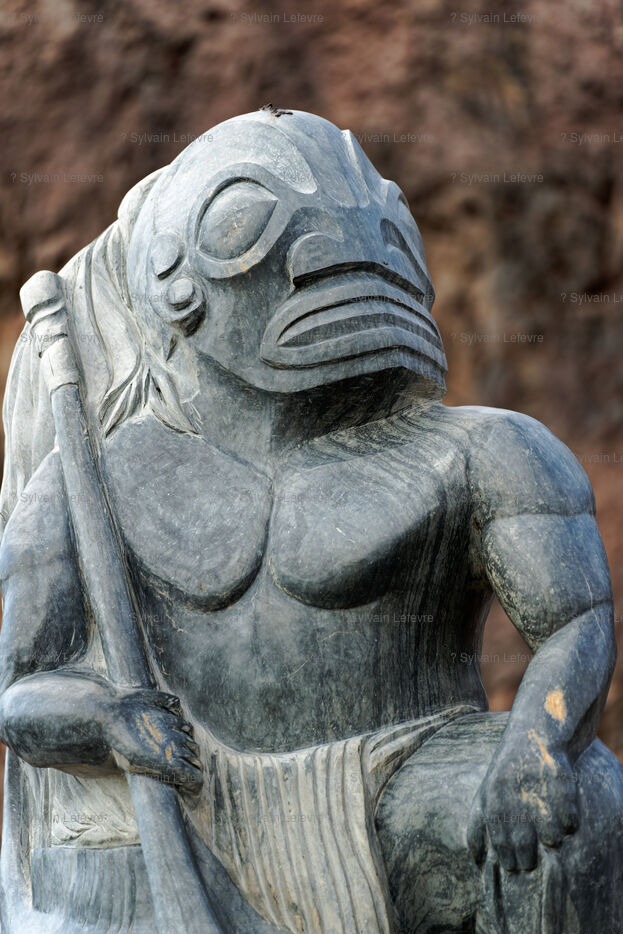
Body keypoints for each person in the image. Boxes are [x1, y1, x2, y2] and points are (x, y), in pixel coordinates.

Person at [0, 110, 621, 934]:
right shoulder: (89, 483)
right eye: (246, 224)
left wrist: (532, 747)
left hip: (407, 779)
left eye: (385, 226)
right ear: (174, 285)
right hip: (190, 795)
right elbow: (23, 690)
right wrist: (109, 721)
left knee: (579, 808)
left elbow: (574, 619)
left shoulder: (483, 451)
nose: (334, 253)